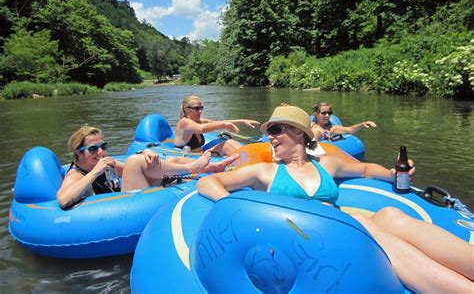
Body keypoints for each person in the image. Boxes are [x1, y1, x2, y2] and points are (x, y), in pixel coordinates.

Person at [197, 104, 473, 292]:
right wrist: (228, 203)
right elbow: (209, 181)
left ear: (297, 132)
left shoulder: (326, 165)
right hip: (311, 239)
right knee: (373, 227)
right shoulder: (265, 172)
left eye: (275, 130)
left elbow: (364, 169)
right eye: (269, 132)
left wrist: (392, 173)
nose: (269, 137)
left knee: (392, 215)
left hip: (344, 224)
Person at [57, 125, 236, 209]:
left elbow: (131, 169)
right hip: (123, 209)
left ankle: (213, 167)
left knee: (167, 162)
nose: (101, 152)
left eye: (103, 146)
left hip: (130, 198)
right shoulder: (76, 174)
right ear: (79, 153)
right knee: (135, 161)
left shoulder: (105, 163)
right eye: (94, 149)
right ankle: (193, 168)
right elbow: (64, 200)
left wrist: (144, 154)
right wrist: (96, 172)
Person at [174, 95, 260, 156]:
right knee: (227, 145)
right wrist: (224, 125)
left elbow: (216, 122)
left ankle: (253, 155)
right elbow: (201, 129)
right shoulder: (184, 122)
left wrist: (242, 120)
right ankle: (249, 160)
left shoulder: (198, 121)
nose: (200, 111)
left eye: (201, 108)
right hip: (187, 157)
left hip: (198, 153)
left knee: (229, 142)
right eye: (196, 108)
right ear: (186, 109)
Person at [311, 101, 377, 140]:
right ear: (316, 114)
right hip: (313, 147)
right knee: (317, 132)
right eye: (324, 113)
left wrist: (362, 124)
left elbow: (350, 130)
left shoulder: (332, 128)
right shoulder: (311, 126)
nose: (327, 115)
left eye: (329, 113)